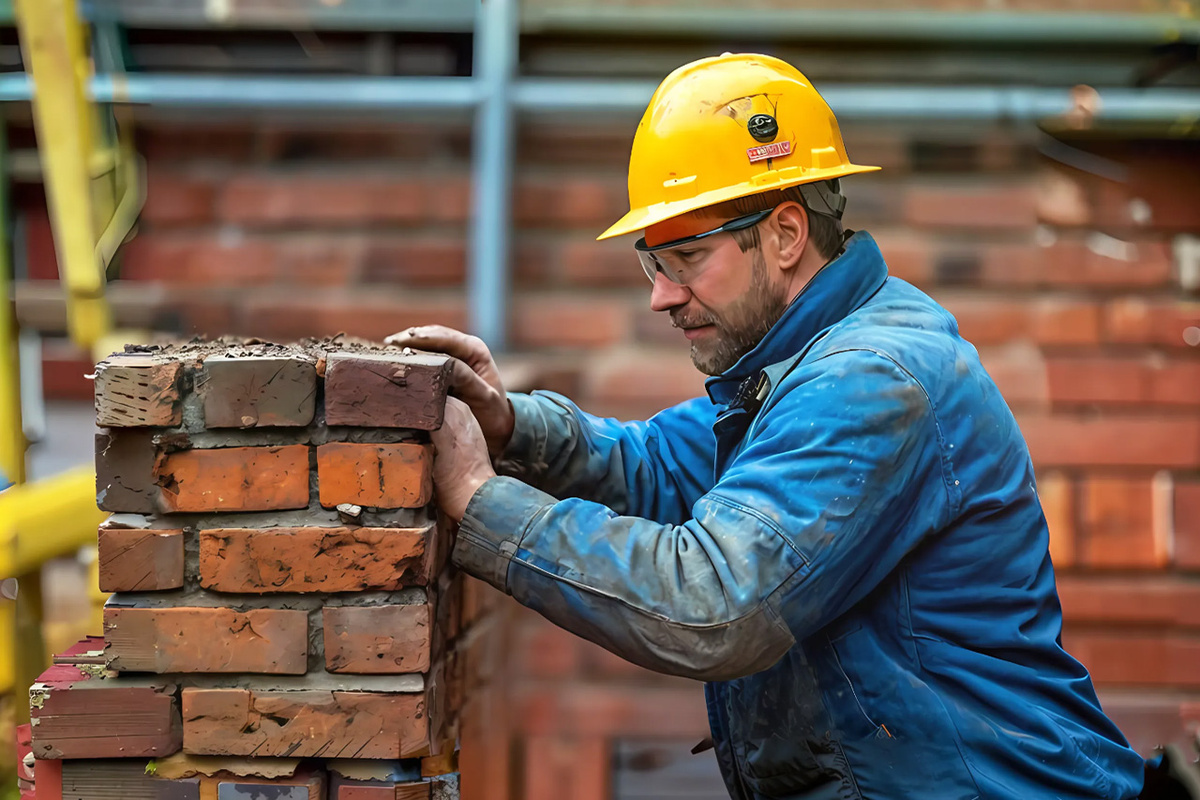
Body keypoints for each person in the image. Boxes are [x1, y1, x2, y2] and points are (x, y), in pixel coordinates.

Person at [388, 53, 1146, 799]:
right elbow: (659, 466)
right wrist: (511, 426)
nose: (662, 296)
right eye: (654, 263)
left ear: (785, 235)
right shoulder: (797, 359)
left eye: (688, 257)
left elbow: (716, 605)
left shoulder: (867, 380)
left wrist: (482, 503)